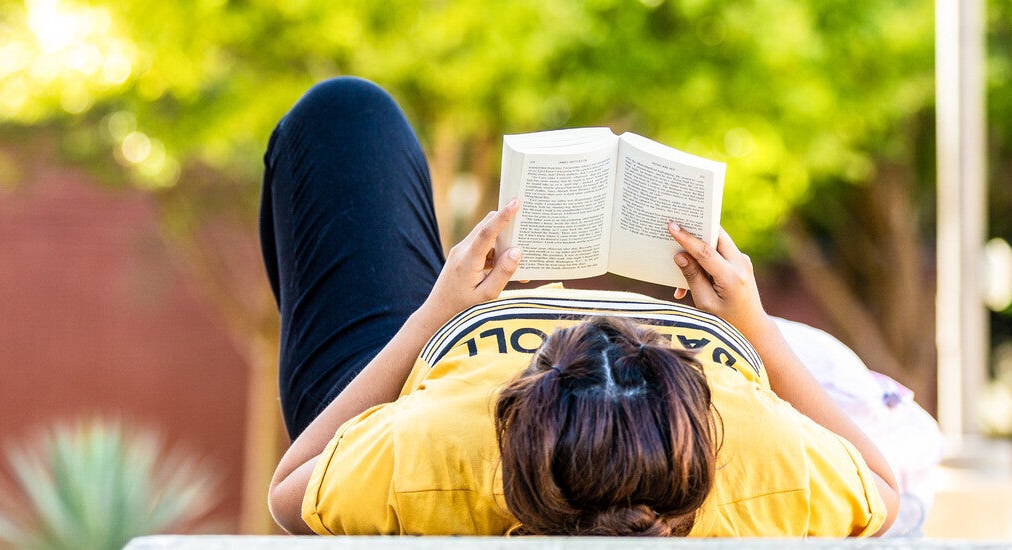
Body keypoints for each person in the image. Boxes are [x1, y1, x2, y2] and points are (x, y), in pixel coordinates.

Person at [261, 76, 900, 537]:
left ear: (511, 416)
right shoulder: (763, 456)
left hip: (419, 377)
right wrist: (752, 326)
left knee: (345, 113)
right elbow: (884, 486)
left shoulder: (431, 444)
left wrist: (433, 317)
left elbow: (290, 487)